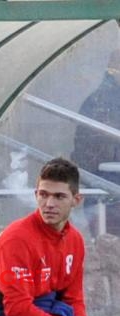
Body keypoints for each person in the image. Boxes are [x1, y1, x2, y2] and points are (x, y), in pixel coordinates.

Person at [0, 156, 120, 316]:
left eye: (59, 196)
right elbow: (17, 310)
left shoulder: (74, 239)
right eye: (43, 194)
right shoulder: (16, 239)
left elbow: (73, 296)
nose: (49, 204)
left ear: (76, 200)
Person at [71, 49, 120, 237]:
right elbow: (90, 147)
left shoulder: (98, 99)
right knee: (108, 242)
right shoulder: (101, 102)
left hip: (102, 185)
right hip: (105, 183)